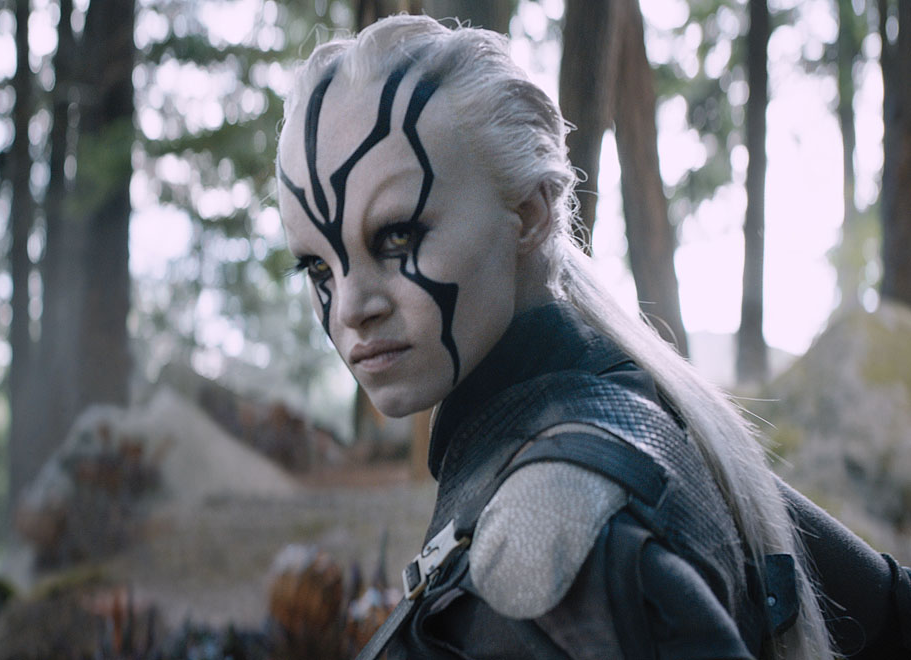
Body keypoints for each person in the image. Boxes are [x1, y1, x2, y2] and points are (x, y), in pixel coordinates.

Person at [275, 14, 911, 660]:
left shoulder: (558, 532)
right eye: (318, 268)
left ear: (530, 213)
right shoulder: (642, 413)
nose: (350, 307)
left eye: (396, 237)